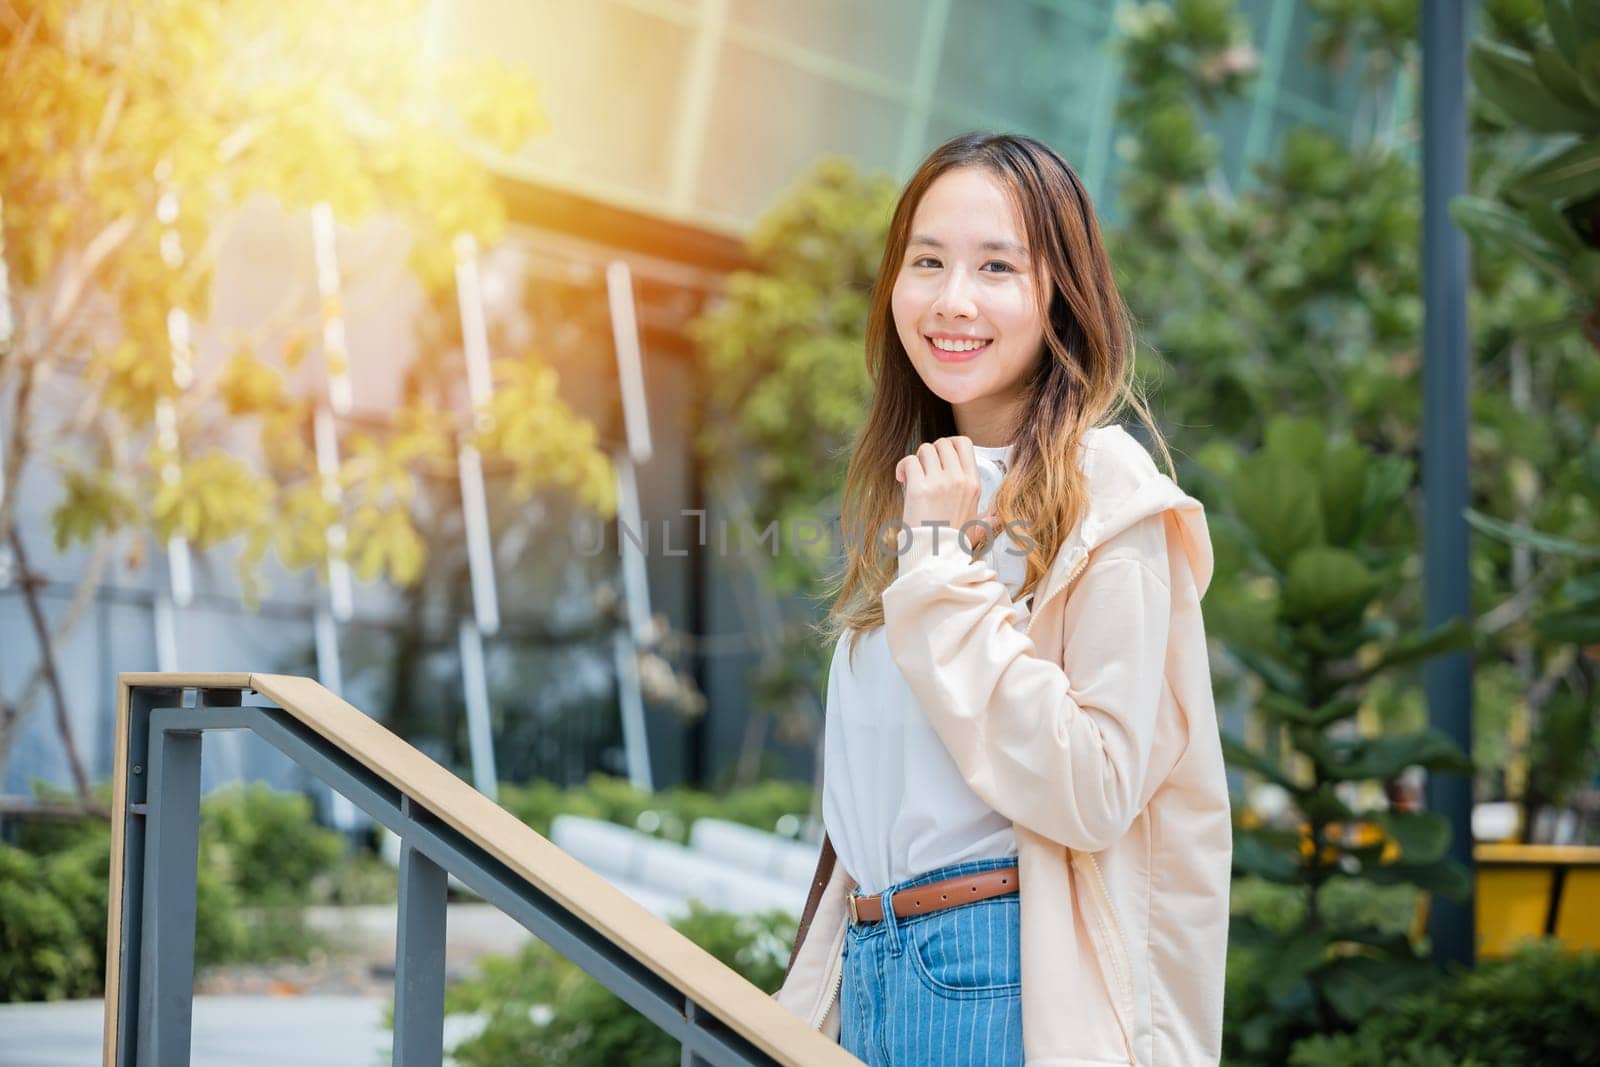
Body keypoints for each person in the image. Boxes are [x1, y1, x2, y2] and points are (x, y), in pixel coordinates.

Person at [772, 132, 1231, 1066]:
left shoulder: (1106, 489)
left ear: (1062, 291)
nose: (952, 299)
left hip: (993, 967)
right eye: (927, 261)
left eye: (996, 268)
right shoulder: (917, 490)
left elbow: (1097, 786)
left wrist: (941, 569)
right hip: (871, 961)